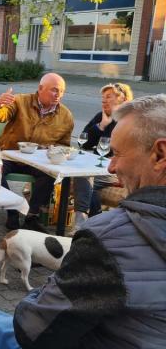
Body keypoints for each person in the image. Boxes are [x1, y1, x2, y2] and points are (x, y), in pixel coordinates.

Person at [13, 94, 166, 348]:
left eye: (116, 154)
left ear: (160, 154)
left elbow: (33, 330)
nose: (111, 167)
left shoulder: (109, 240)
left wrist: (46, 289)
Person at [0, 73, 74, 231]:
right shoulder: (20, 101)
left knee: (50, 174)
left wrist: (56, 151)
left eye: (61, 91)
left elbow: (64, 144)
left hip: (38, 160)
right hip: (10, 154)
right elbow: (0, 116)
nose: (58, 95)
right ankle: (12, 211)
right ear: (40, 88)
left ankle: (32, 216)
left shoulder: (66, 115)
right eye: (54, 90)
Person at [72, 83, 133, 227]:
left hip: (117, 169)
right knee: (86, 181)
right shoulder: (101, 116)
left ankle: (83, 223)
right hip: (97, 166)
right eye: (103, 97)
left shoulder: (130, 120)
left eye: (109, 97)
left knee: (83, 176)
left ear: (122, 99)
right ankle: (94, 223)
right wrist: (101, 126)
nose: (103, 101)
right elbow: (83, 143)